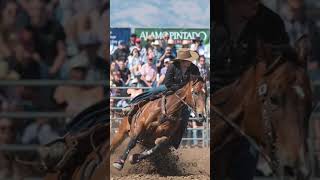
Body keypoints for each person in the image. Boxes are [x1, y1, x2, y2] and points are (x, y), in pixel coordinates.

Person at [212, 0, 290, 179]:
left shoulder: (271, 24)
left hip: (248, 112)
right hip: (207, 103)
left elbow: (282, 70)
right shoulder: (206, 16)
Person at [124, 48, 201, 147]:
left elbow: (196, 83)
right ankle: (132, 105)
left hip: (185, 95)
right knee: (152, 91)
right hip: (170, 88)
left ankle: (176, 141)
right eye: (188, 59)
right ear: (182, 60)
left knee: (185, 116)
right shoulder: (172, 66)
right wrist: (180, 88)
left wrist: (187, 90)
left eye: (190, 59)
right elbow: (168, 83)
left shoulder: (194, 69)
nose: (190, 61)